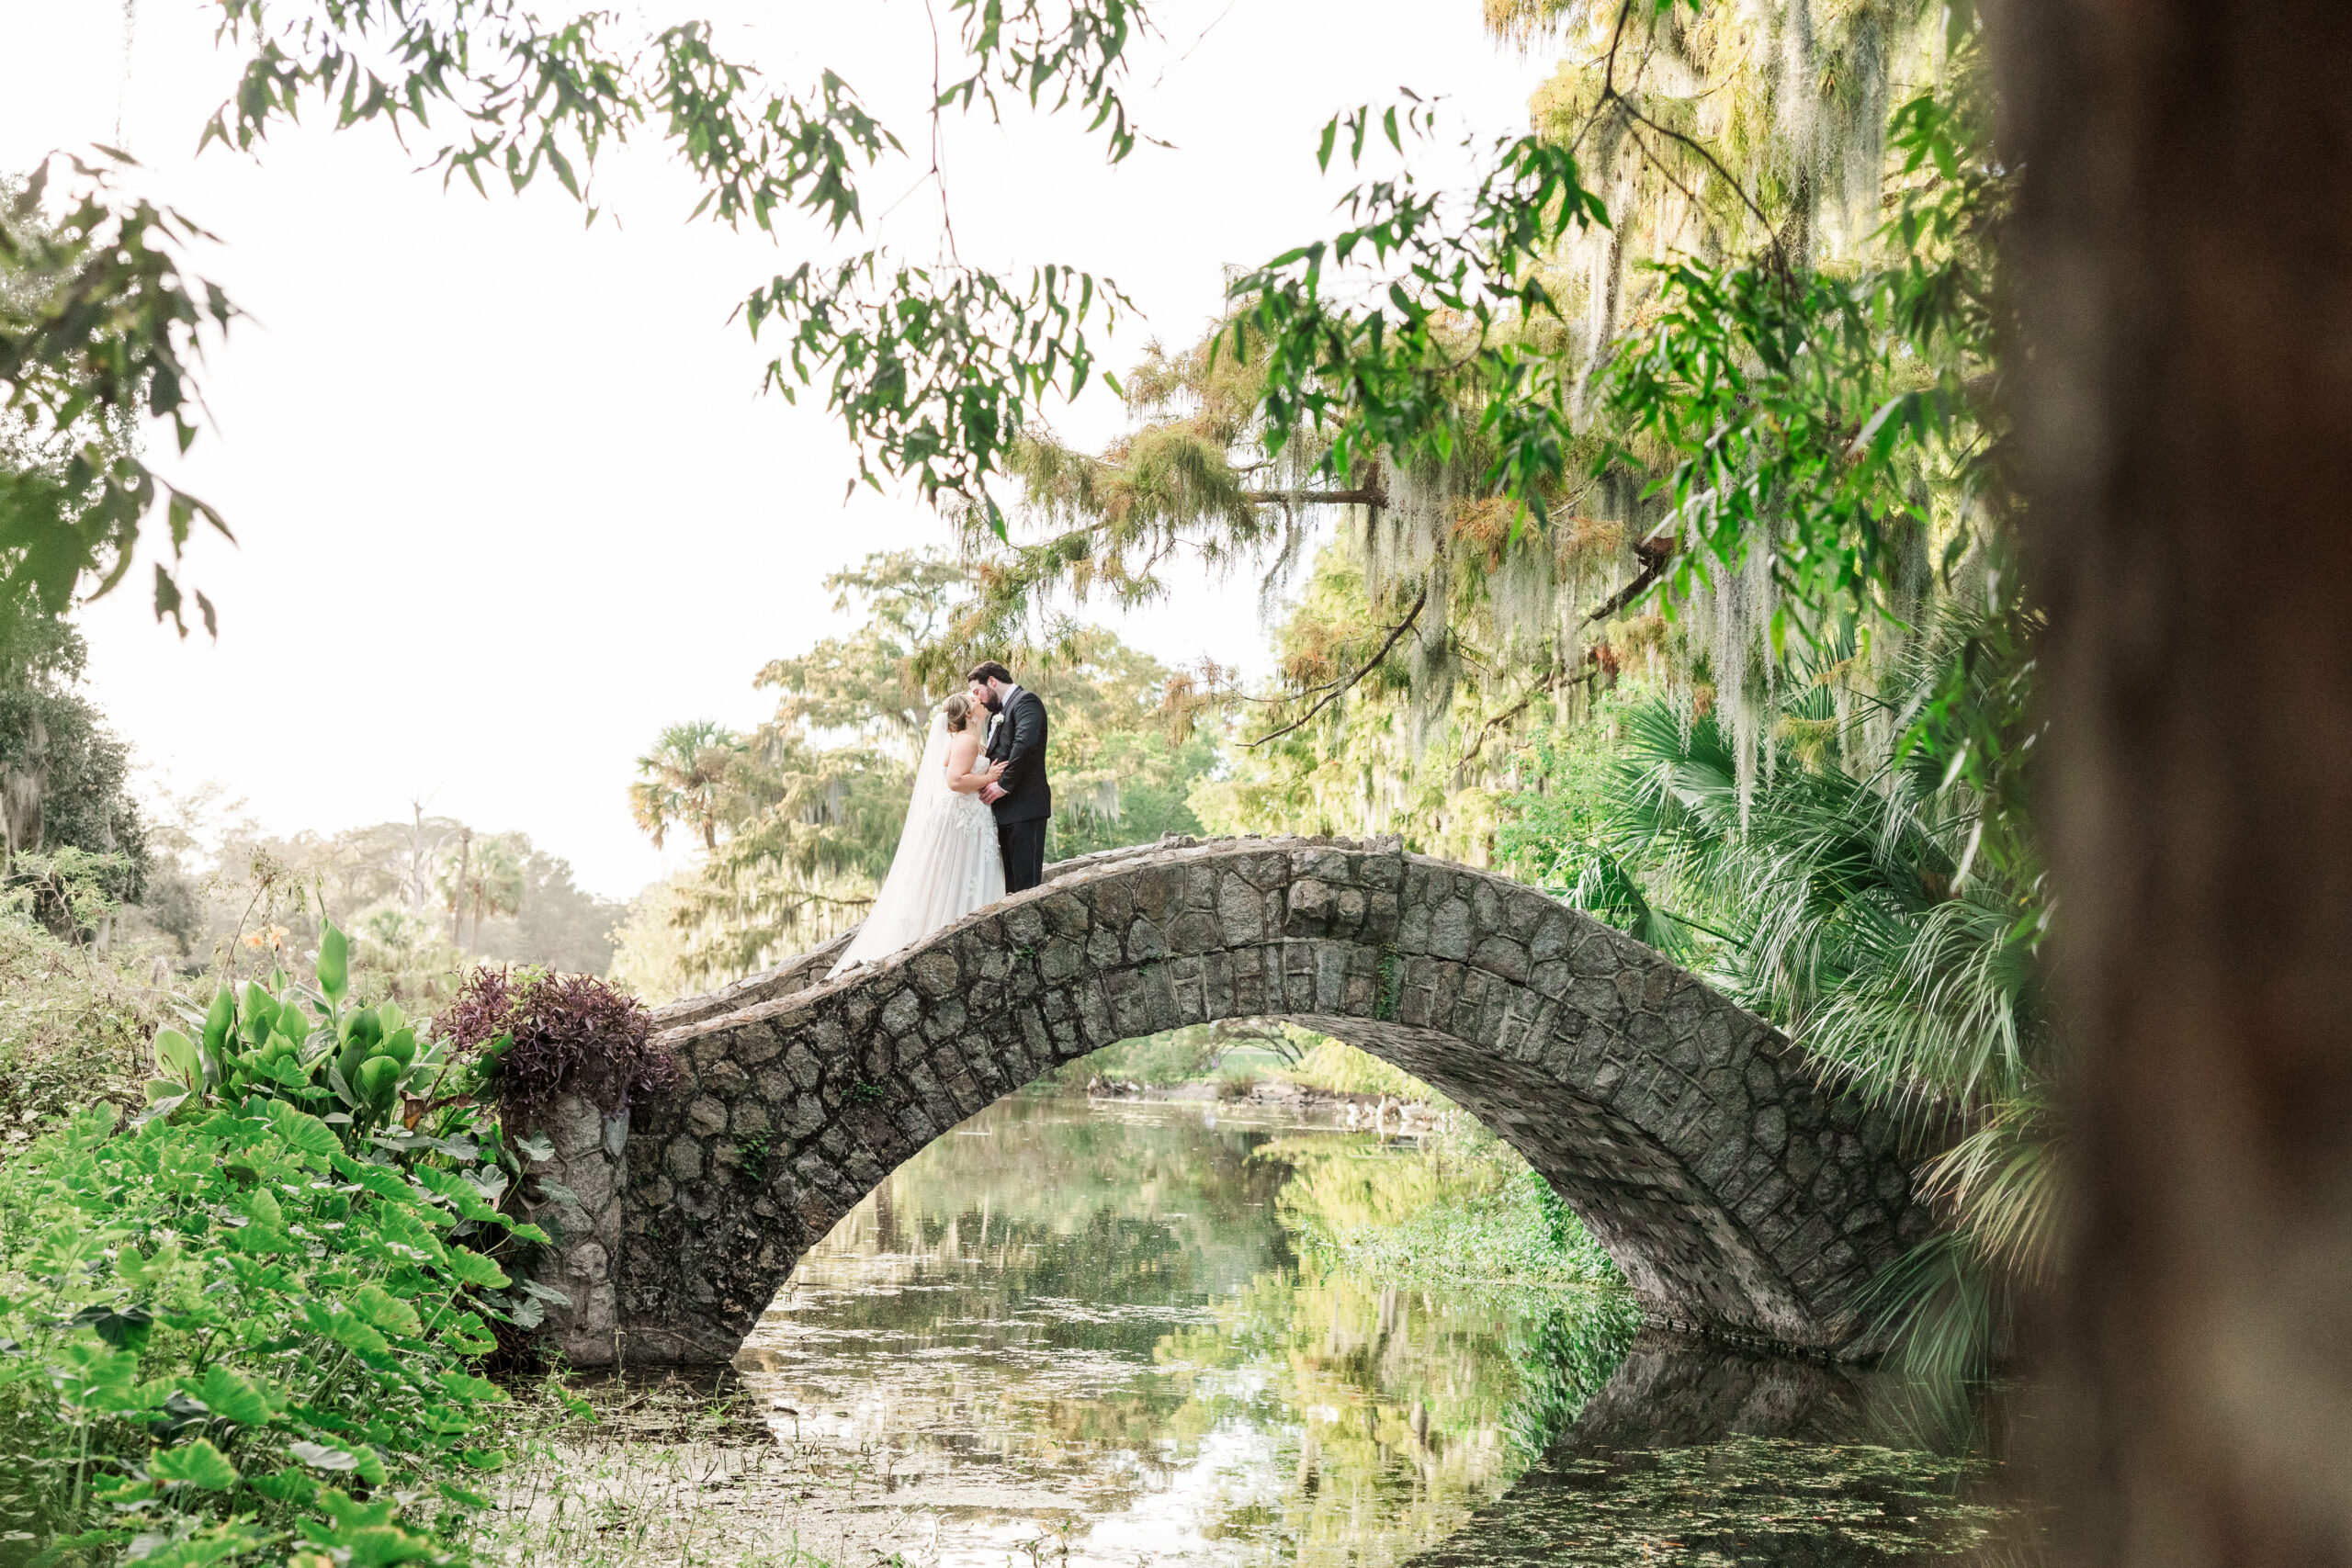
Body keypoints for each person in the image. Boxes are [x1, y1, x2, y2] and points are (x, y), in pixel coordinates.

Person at [827, 693, 1006, 977]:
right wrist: (990, 778)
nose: (977, 700)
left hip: (970, 818)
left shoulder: (969, 740)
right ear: (968, 715)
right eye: (972, 701)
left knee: (961, 878)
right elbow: (956, 781)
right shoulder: (967, 741)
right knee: (953, 878)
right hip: (960, 821)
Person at [968, 660, 1052, 893]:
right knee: (1011, 888)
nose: (978, 698)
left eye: (978, 691)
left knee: (1026, 889)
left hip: (1025, 808)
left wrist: (1003, 785)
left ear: (992, 682)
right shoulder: (997, 713)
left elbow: (1025, 744)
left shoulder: (1026, 701)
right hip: (1004, 812)